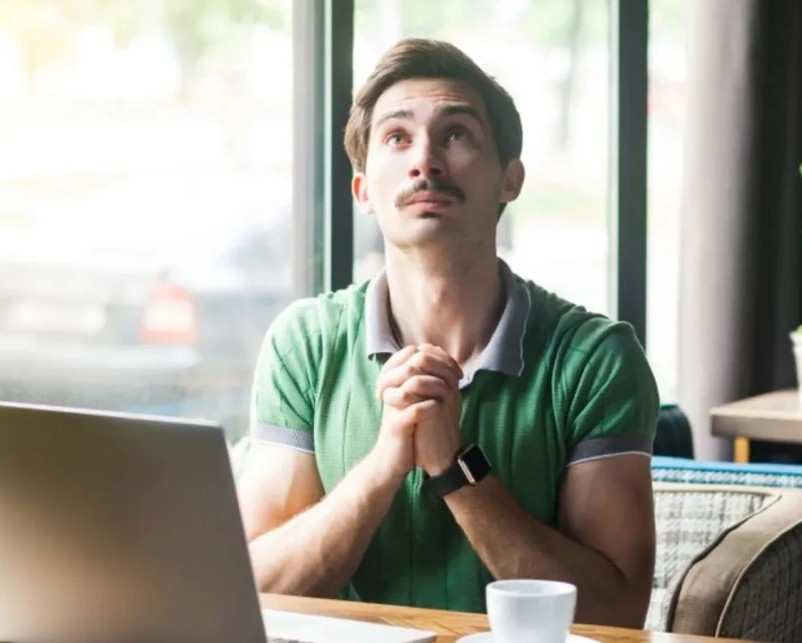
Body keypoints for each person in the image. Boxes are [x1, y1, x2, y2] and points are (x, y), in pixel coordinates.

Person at [237, 37, 659, 628]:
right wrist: (386, 462)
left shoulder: (595, 359)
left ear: (510, 180)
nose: (425, 161)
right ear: (363, 191)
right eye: (397, 138)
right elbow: (256, 592)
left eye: (456, 134)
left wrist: (455, 468)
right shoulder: (303, 343)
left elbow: (616, 612)